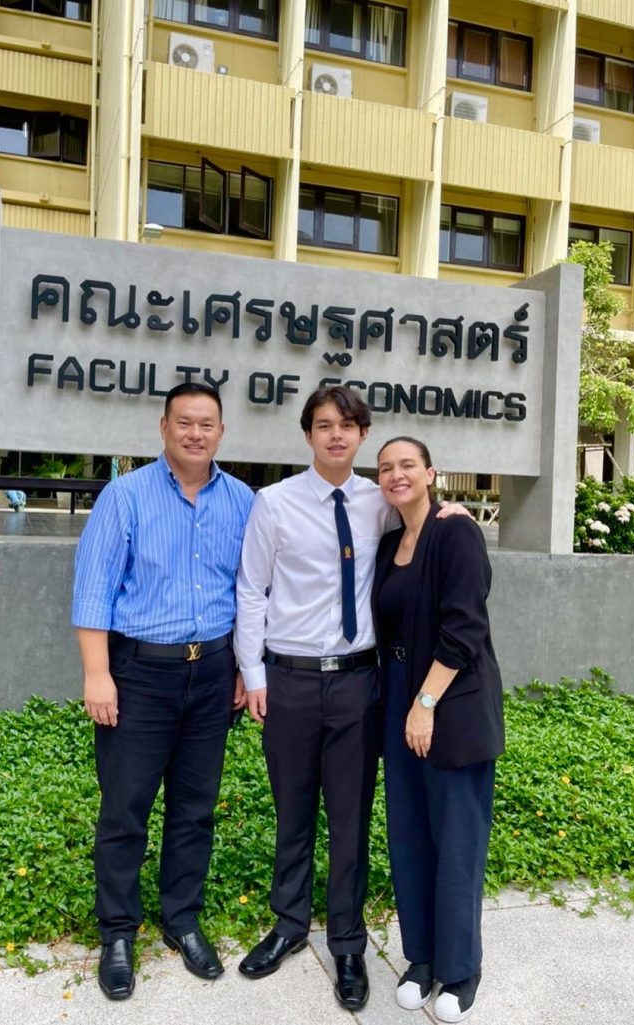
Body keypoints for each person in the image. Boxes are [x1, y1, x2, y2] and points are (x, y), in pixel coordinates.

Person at [234, 387, 466, 1011]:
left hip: (361, 684)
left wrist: (457, 510)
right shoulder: (273, 503)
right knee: (293, 812)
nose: (336, 435)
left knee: (350, 822)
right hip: (289, 679)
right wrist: (253, 674)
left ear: (362, 435)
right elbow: (251, 591)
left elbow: (423, 522)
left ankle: (346, 942)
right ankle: (287, 925)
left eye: (347, 426)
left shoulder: (378, 503)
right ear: (307, 435)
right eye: (323, 425)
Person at [72, 382, 253, 1001]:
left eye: (207, 424)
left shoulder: (243, 502)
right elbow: (94, 591)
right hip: (139, 674)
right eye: (185, 422)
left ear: (221, 432)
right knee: (125, 807)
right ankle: (118, 930)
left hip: (212, 674)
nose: (195, 433)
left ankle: (182, 918)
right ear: (164, 426)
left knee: (195, 806)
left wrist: (240, 668)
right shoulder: (125, 497)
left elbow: (252, 592)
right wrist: (98, 674)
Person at [371, 436, 505, 1023]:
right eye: (386, 468)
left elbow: (465, 626)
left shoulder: (457, 531)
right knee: (409, 834)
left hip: (448, 700)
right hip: (398, 696)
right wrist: (404, 701)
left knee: (457, 840)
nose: (397, 474)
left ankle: (460, 971)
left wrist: (424, 701)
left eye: (407, 465)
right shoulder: (387, 544)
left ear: (430, 473)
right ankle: (420, 960)